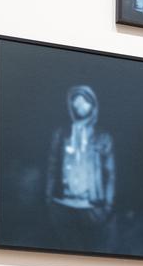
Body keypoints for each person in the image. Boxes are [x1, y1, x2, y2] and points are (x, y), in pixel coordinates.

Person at [46, 85, 116, 235]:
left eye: (84, 101)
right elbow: (52, 167)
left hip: (92, 206)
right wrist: (49, 199)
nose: (80, 106)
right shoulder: (61, 134)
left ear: (93, 105)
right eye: (76, 102)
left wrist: (108, 206)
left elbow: (110, 174)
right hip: (61, 203)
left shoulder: (103, 137)